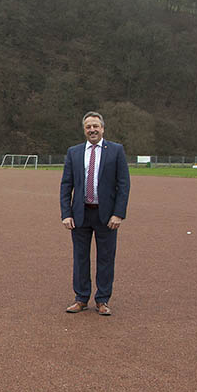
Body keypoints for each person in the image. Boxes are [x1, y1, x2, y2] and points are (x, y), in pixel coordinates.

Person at [60, 111, 130, 316]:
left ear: (102, 128)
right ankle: (81, 298)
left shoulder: (116, 151)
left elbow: (123, 185)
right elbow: (66, 185)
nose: (92, 130)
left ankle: (102, 300)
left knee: (106, 258)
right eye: (88, 126)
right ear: (84, 129)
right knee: (80, 258)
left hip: (107, 216)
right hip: (80, 215)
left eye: (95, 126)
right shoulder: (74, 152)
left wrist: (118, 214)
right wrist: (66, 213)